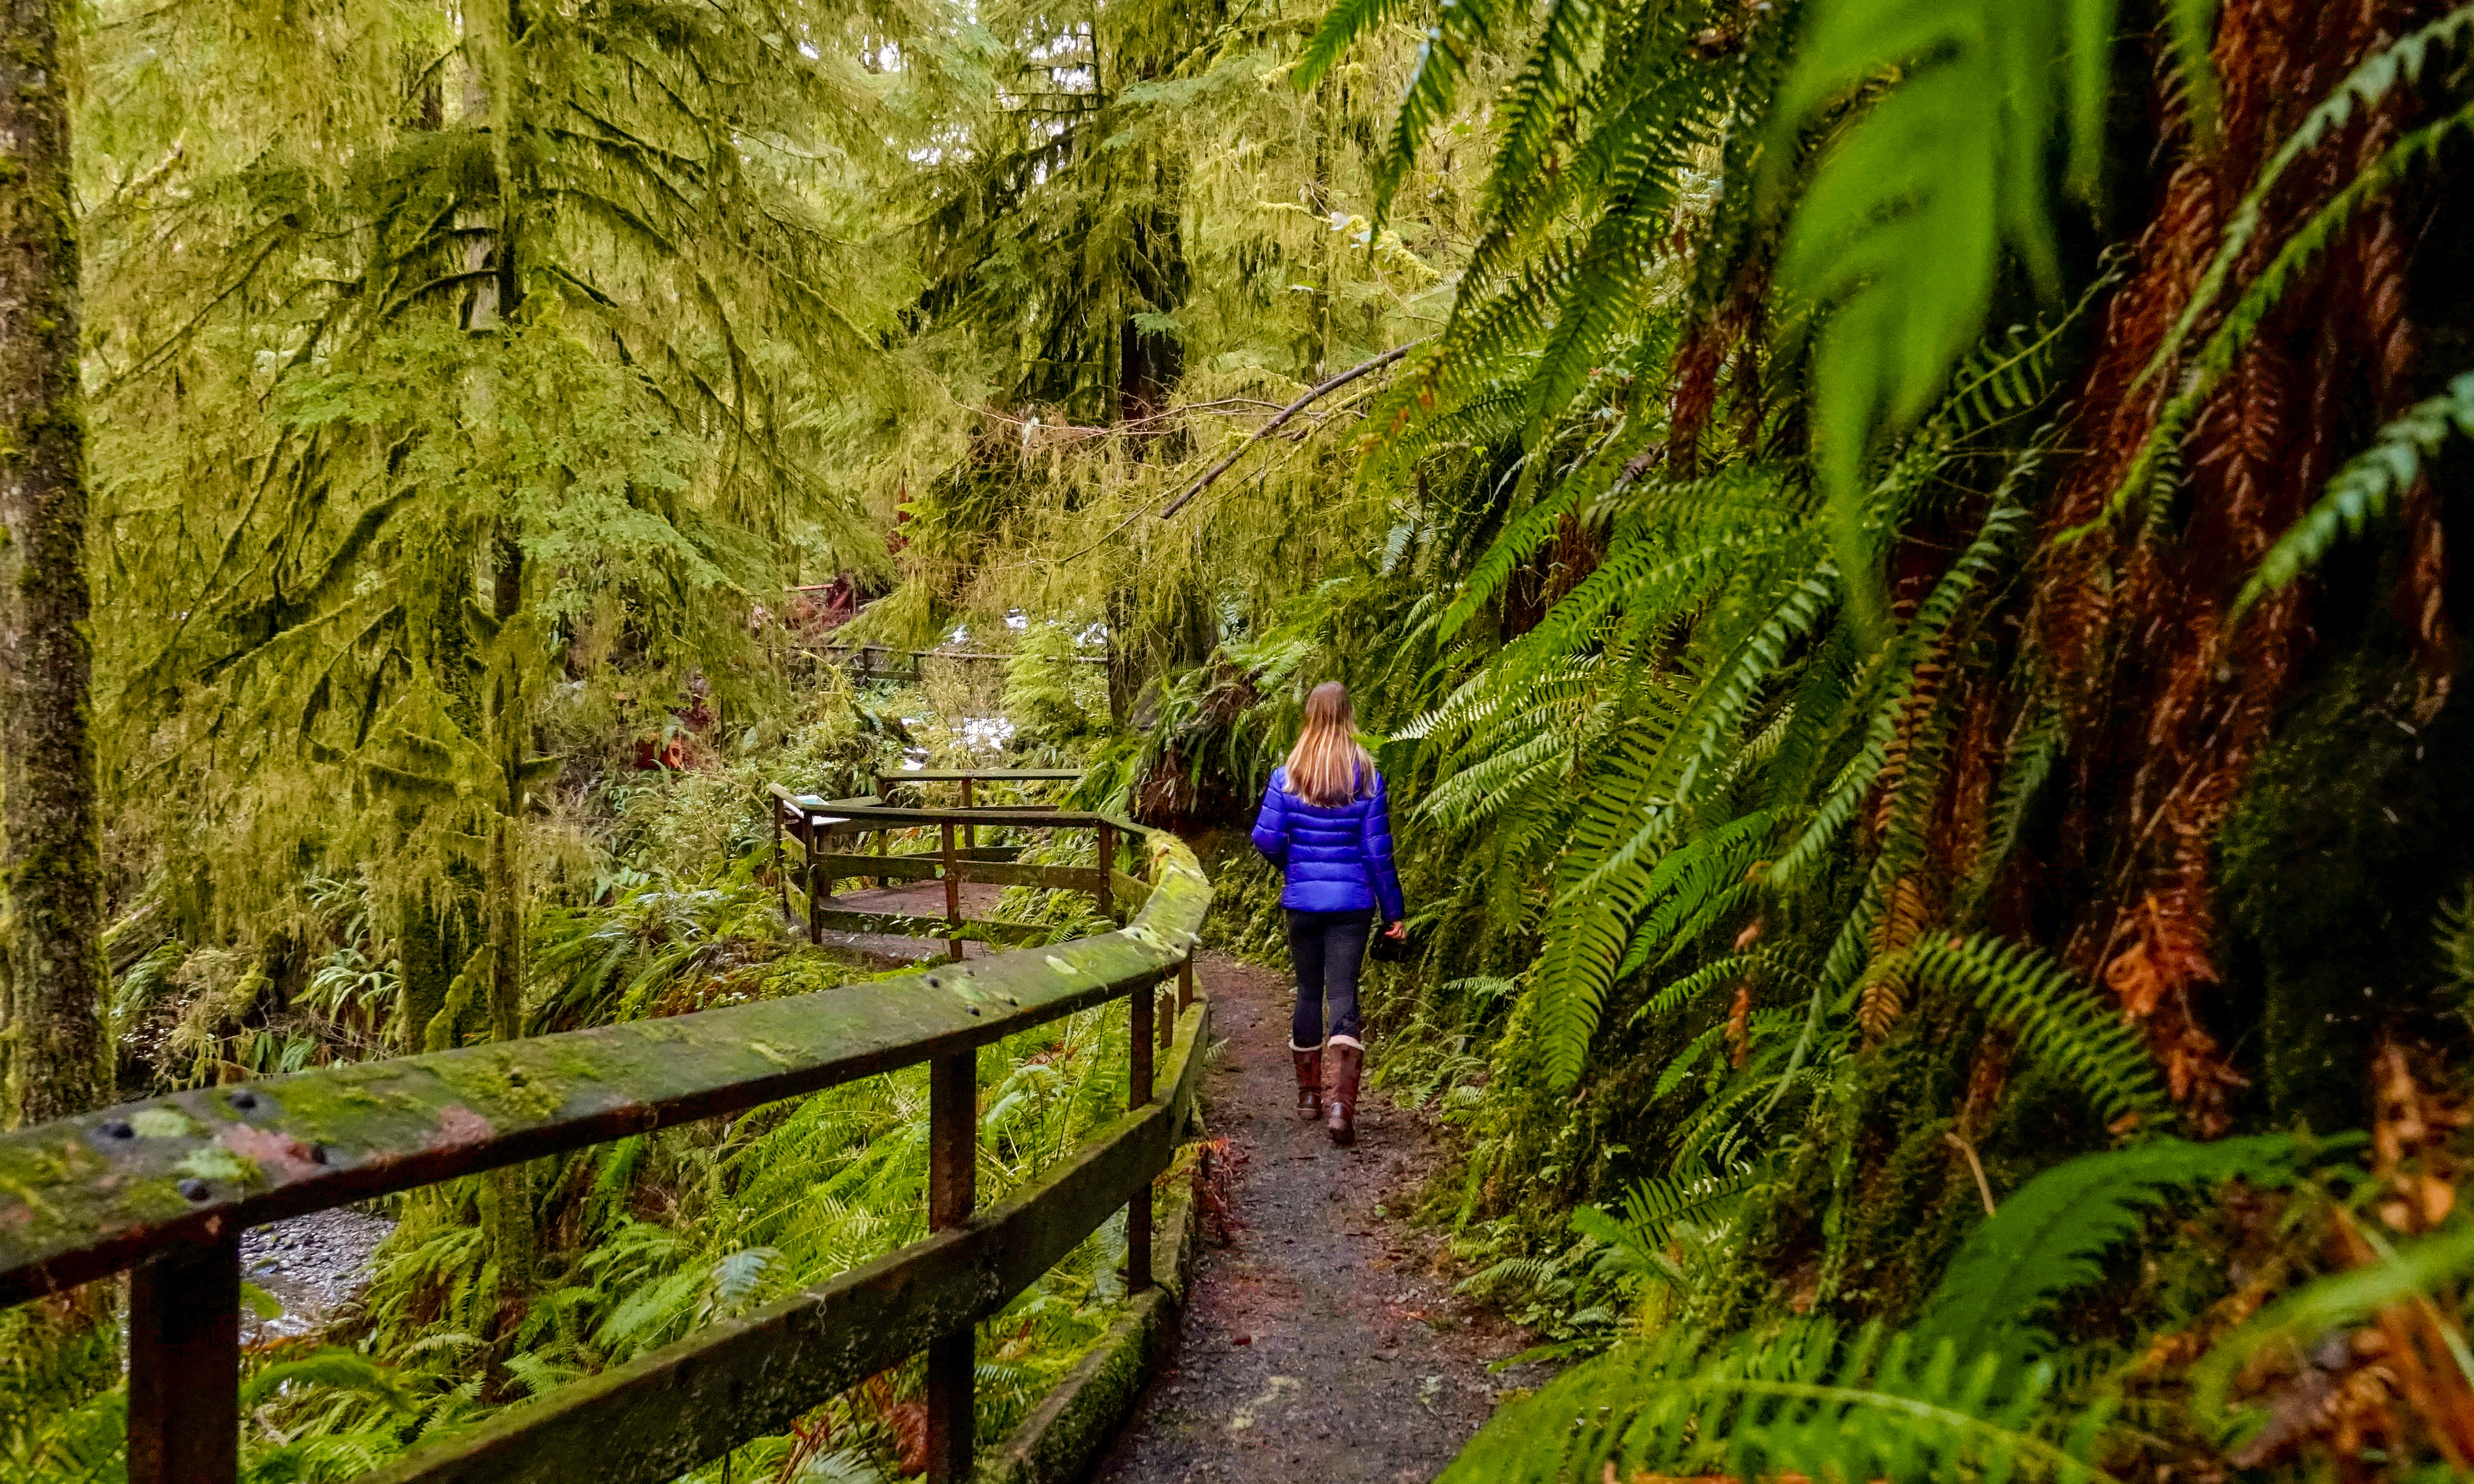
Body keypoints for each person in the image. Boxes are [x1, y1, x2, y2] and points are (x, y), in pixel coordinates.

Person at [1250, 681, 1407, 1146]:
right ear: (1347, 716)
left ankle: (1308, 1098)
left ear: (1310, 715)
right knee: (1343, 994)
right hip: (1353, 905)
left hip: (1302, 902)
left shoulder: (1287, 776)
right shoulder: (1367, 777)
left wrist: (1293, 866)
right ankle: (1342, 1108)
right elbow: (1378, 854)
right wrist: (1394, 913)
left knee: (1306, 991)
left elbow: (1265, 837)